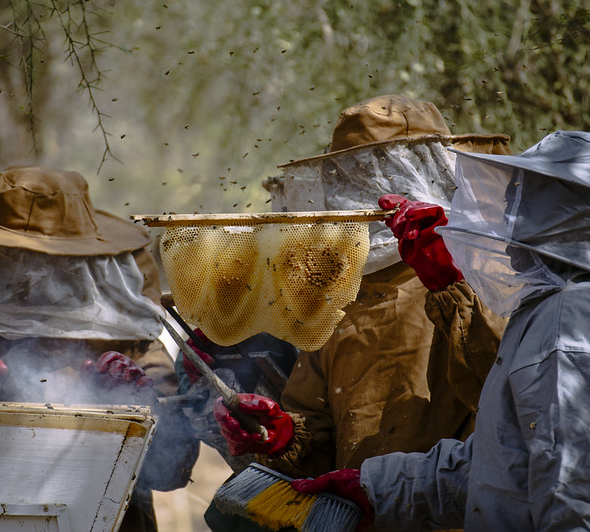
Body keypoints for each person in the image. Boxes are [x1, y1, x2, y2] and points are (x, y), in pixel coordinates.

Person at [292, 130, 590, 530]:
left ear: (555, 216)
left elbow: (580, 503)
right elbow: (501, 467)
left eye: (519, 202)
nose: (507, 217)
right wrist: (376, 487)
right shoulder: (573, 306)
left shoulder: (571, 323)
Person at [205, 95, 508, 531]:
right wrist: (282, 435)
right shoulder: (340, 293)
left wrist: (450, 282)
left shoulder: (494, 273)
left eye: (387, 173)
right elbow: (320, 428)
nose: (376, 190)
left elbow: (519, 402)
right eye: (356, 176)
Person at [0, 165, 199, 532]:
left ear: (84, 261)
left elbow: (173, 470)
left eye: (48, 259)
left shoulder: (129, 340)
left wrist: (139, 405)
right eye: (12, 255)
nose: (32, 271)